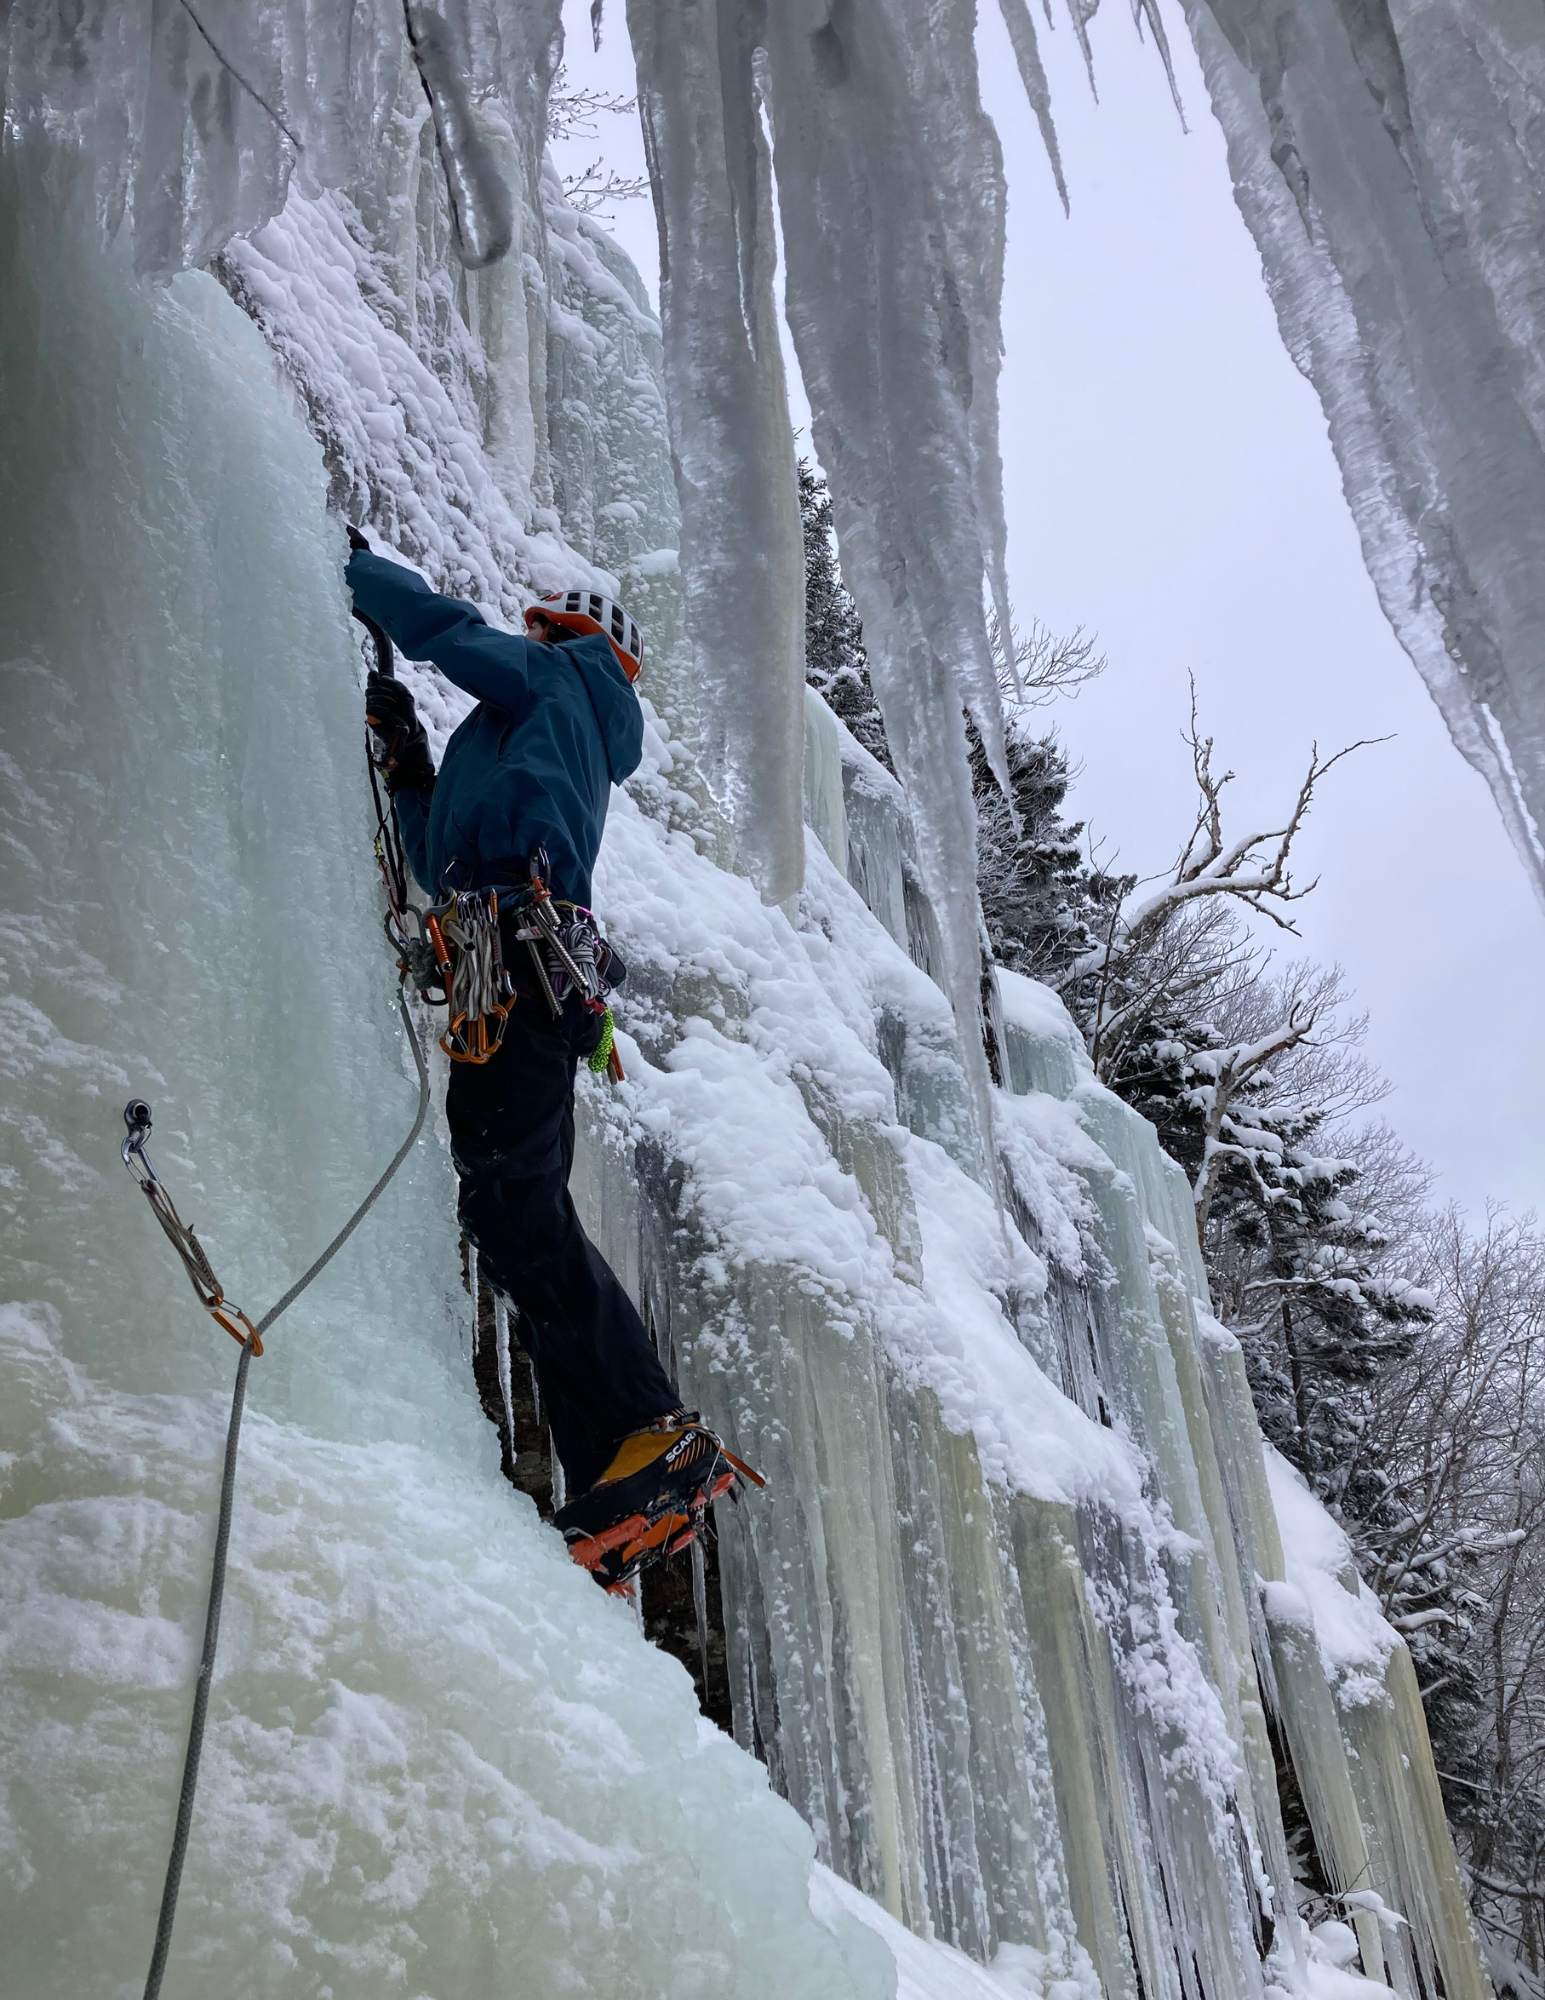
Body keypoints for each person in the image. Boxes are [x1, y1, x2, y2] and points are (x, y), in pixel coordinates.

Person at [345, 532, 755, 1589]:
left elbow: (443, 631)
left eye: (539, 624)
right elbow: (445, 850)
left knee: (517, 1198)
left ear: (568, 632)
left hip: (520, 971)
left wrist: (346, 565)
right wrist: (407, 763)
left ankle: (651, 1429)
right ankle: (613, 1466)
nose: (525, 631)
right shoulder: (530, 729)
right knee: (505, 1204)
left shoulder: (560, 684)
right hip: (514, 971)